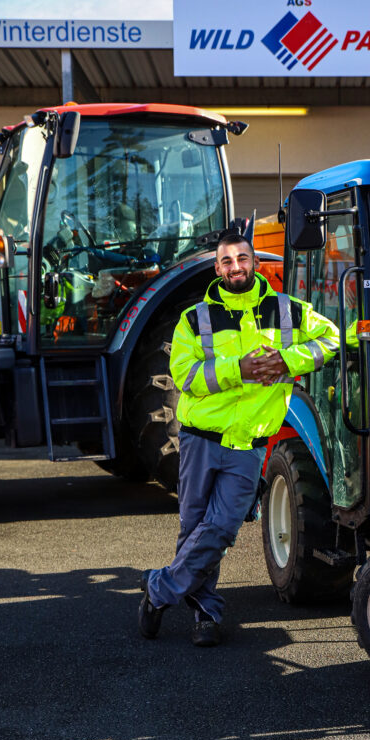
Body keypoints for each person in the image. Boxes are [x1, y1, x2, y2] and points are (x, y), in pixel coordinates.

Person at [138, 231, 340, 646]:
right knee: (195, 528)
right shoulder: (194, 319)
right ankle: (205, 615)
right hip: (200, 440)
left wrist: (286, 359)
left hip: (249, 446)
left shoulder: (288, 311)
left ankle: (158, 590)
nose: (236, 267)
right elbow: (186, 377)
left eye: (242, 258)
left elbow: (331, 340)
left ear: (254, 263)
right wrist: (239, 370)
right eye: (227, 261)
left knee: (223, 529)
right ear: (218, 268)